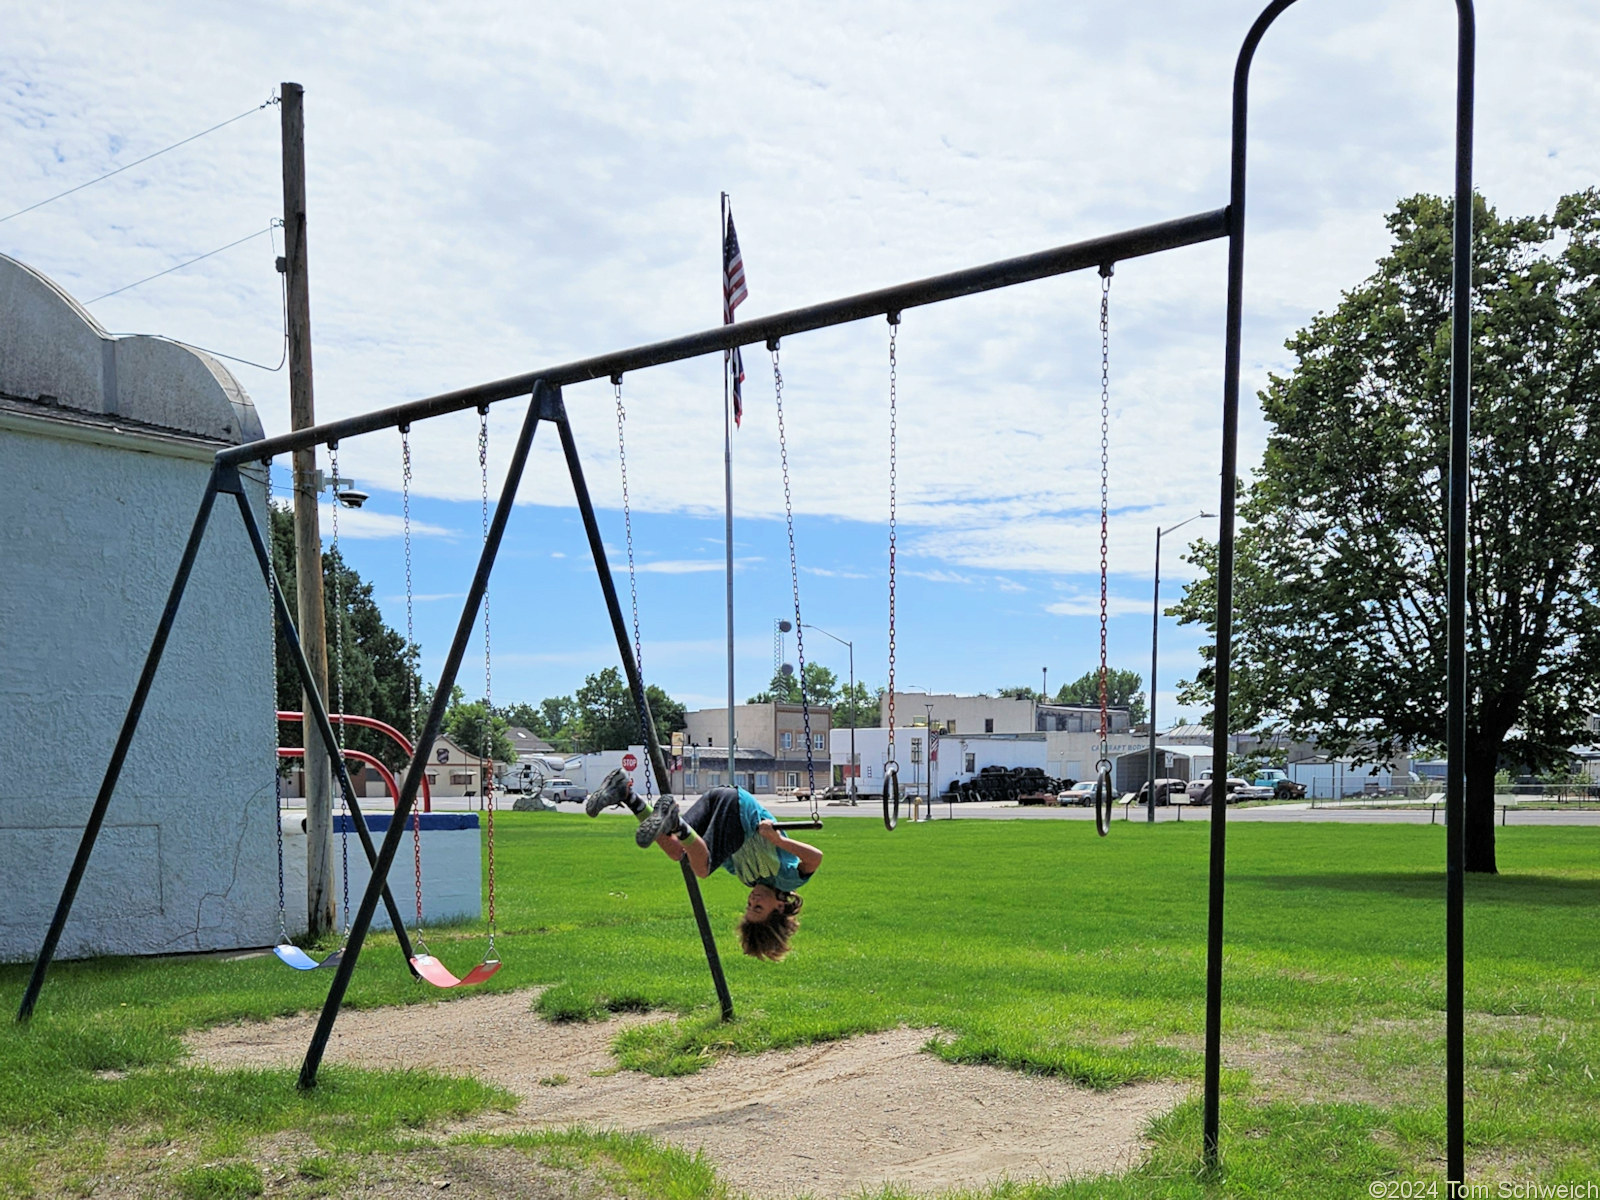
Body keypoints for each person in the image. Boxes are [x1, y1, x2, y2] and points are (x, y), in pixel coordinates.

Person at [586, 770, 822, 961]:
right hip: (738, 808)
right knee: (702, 869)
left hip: (717, 798)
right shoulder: (787, 879)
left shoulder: (746, 876)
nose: (752, 899)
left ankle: (626, 793)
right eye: (758, 907)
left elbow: (704, 850)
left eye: (748, 905)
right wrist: (778, 839)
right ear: (780, 908)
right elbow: (815, 858)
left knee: (677, 850)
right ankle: (675, 824)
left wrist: (695, 850)